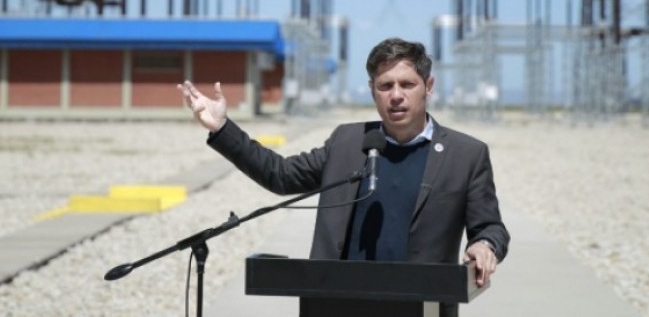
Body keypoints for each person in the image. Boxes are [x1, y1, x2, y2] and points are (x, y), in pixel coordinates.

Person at [178, 37, 509, 316]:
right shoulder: (348, 142)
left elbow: (490, 226)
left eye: (407, 84)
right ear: (372, 90)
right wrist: (222, 128)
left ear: (428, 87)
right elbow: (280, 175)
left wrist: (485, 245)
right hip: (336, 304)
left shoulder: (466, 154)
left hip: (422, 306)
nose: (396, 95)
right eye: (385, 86)